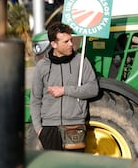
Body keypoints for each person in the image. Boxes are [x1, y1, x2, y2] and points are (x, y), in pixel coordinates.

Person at [30, 22, 99, 151]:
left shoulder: (81, 61)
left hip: (74, 126)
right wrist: (39, 129)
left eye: (71, 40)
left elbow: (93, 89)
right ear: (54, 44)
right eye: (66, 42)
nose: (71, 44)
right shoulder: (42, 66)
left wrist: (64, 90)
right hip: (49, 128)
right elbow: (35, 100)